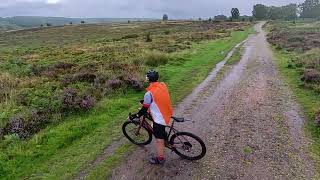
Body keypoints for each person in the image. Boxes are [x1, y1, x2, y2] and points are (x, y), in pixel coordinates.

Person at [131, 70, 173, 165]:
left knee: (159, 140)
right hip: (167, 113)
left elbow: (143, 110)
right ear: (157, 79)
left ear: (147, 80)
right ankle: (165, 137)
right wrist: (146, 102)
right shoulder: (163, 85)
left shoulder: (148, 94)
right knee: (157, 127)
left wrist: (136, 115)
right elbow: (157, 97)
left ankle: (160, 159)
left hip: (161, 118)